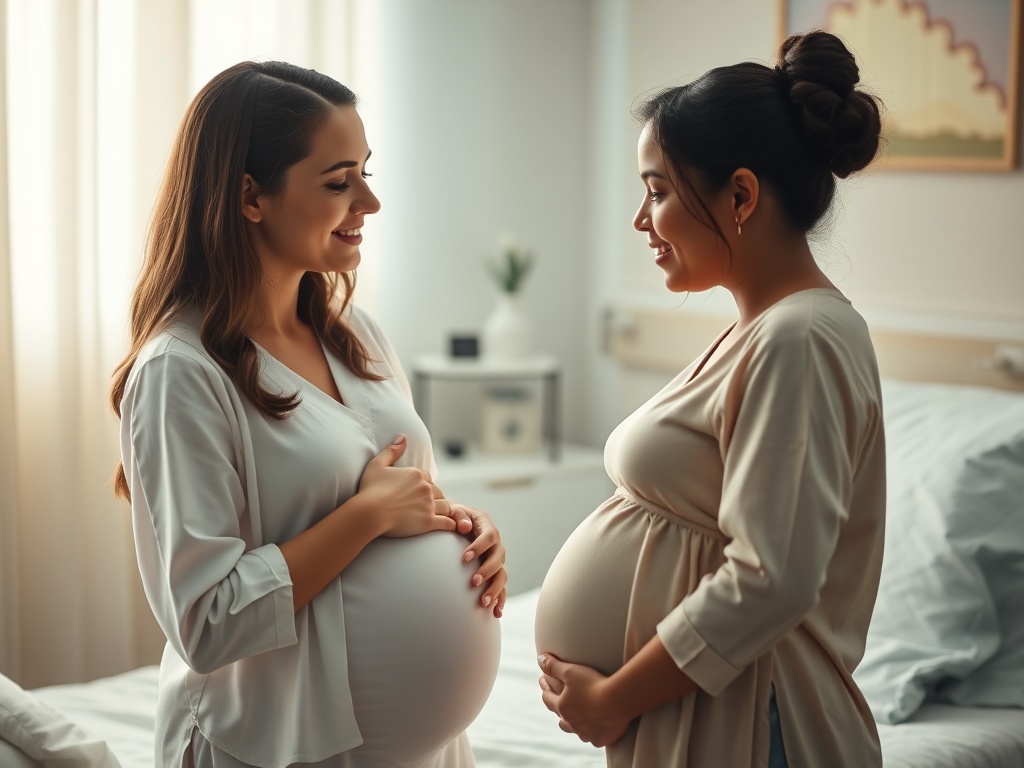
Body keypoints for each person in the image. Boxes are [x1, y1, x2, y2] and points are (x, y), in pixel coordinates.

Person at [110, 61, 507, 768]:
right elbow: (205, 620)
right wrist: (365, 518)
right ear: (250, 196)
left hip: (428, 748)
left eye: (367, 172)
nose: (370, 203)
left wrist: (468, 535)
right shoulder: (181, 372)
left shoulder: (357, 336)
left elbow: (408, 497)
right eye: (338, 182)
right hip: (272, 746)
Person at [534, 31, 886, 768]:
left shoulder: (801, 339)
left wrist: (617, 698)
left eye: (658, 191)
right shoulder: (763, 331)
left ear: (741, 195)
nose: (642, 221)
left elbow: (771, 580)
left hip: (760, 726)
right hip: (717, 716)